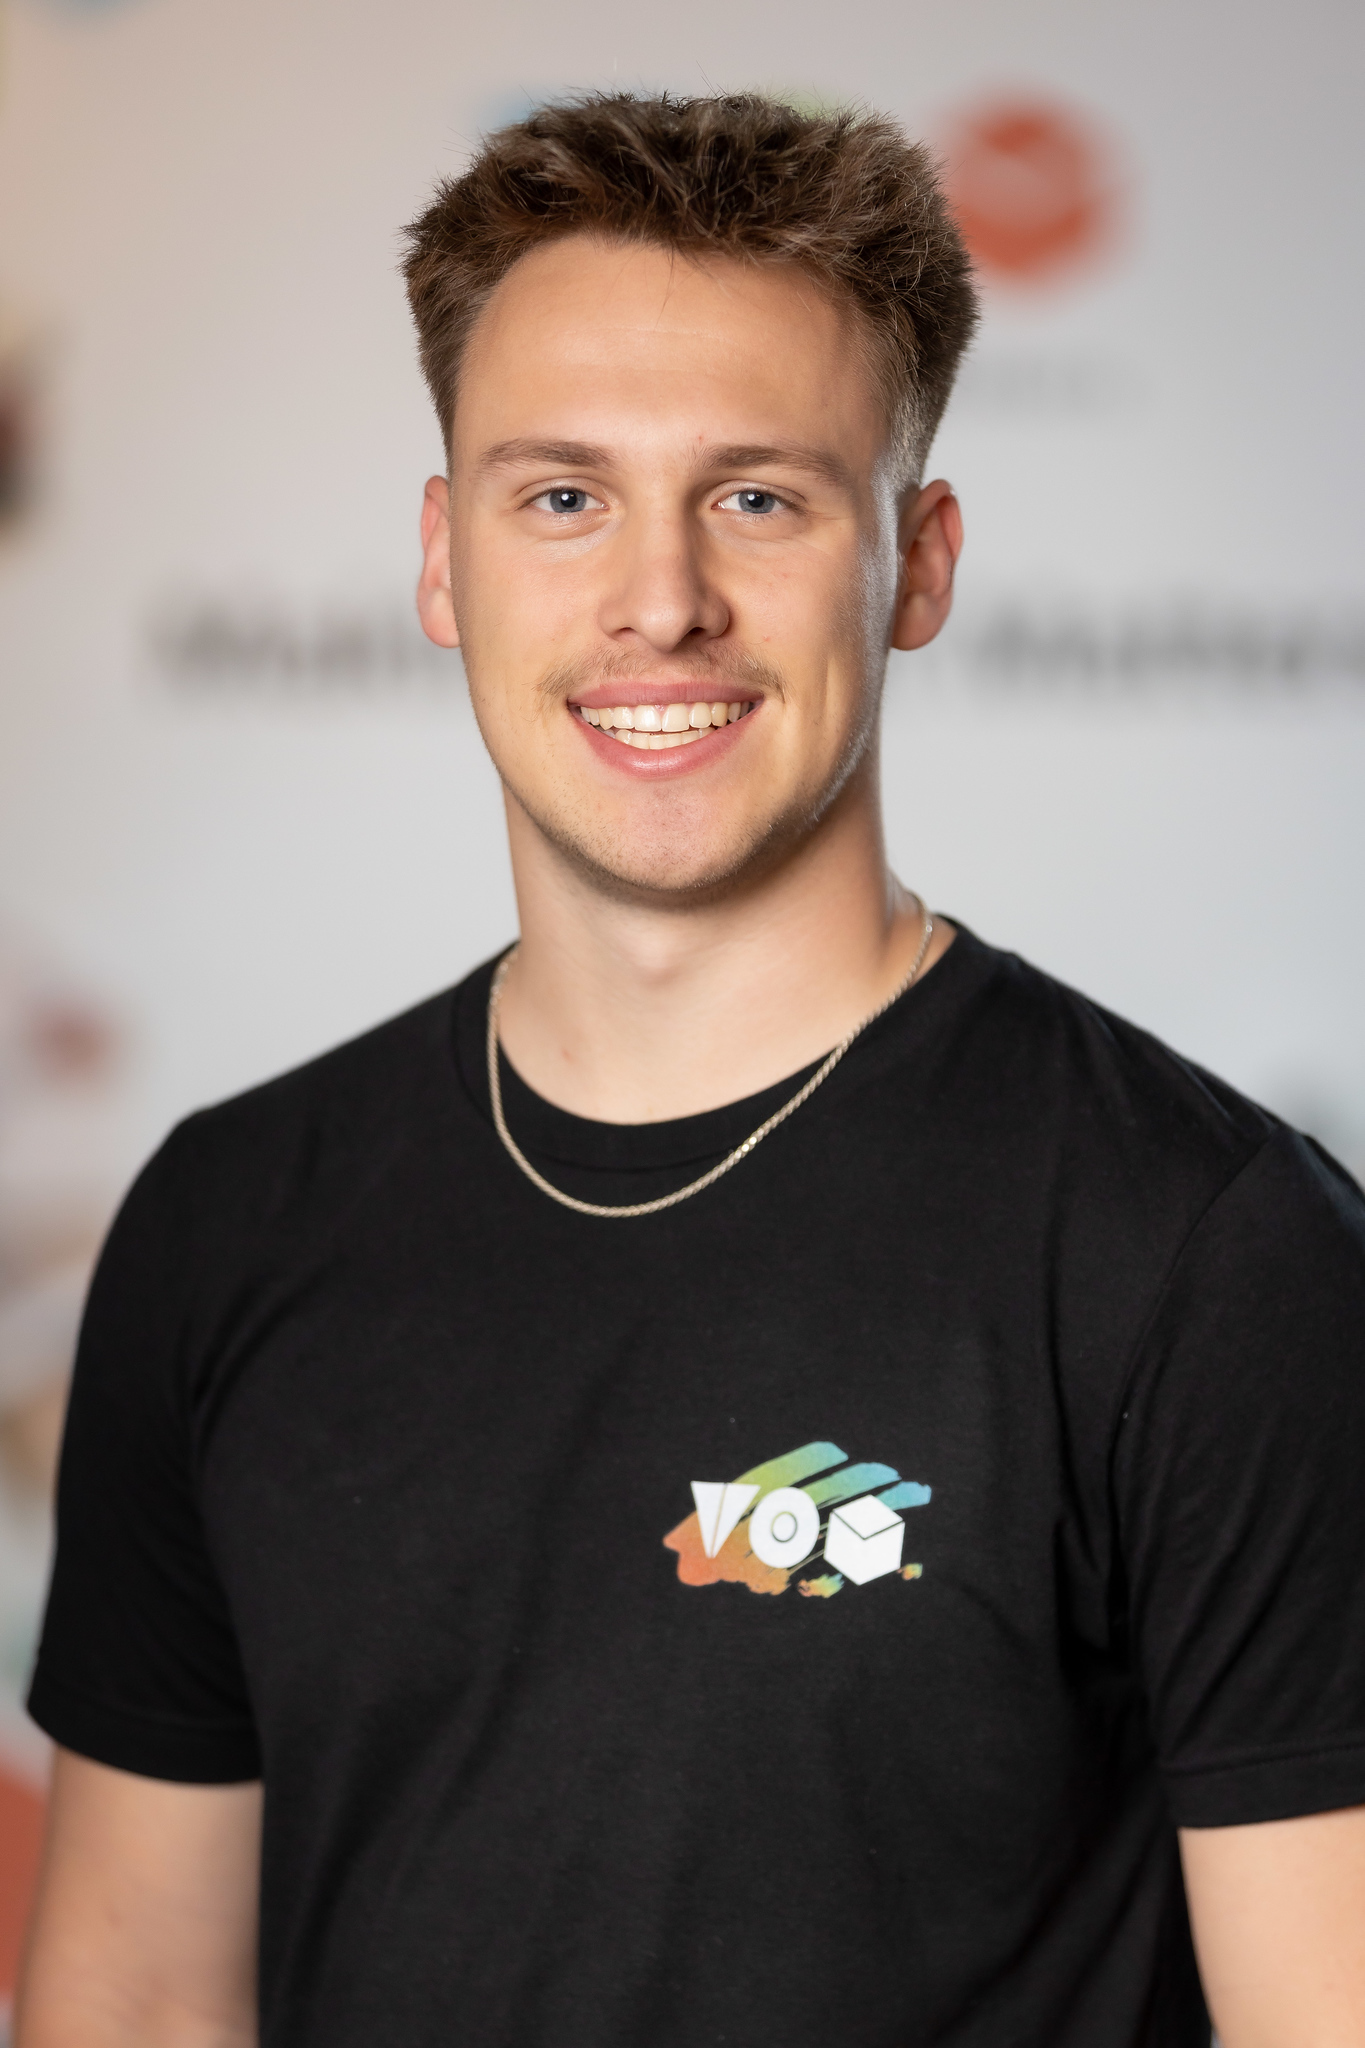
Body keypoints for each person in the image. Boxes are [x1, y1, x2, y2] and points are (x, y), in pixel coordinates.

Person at [14, 93, 1365, 2048]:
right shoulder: (227, 1220)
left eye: (757, 498)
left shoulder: (1210, 1252)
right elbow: (136, 2000)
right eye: (561, 497)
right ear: (442, 560)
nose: (659, 599)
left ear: (915, 563)